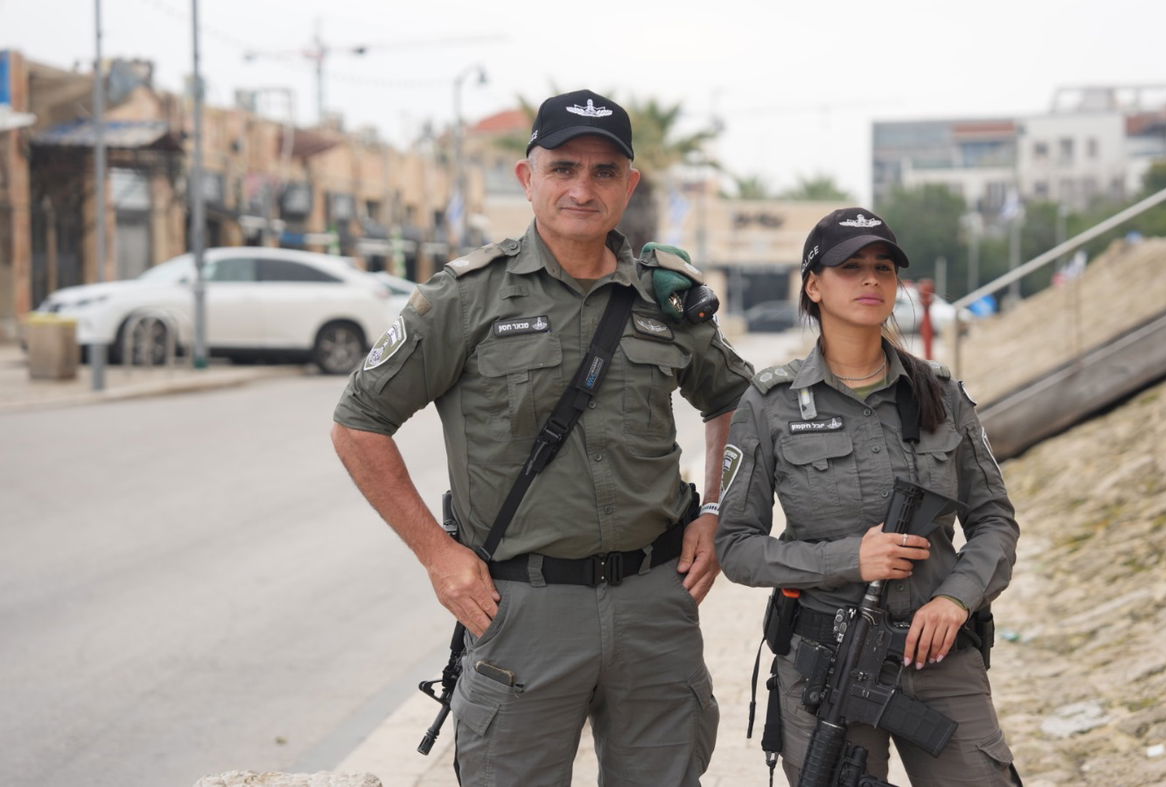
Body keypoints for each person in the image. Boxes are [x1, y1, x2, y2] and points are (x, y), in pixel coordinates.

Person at [330, 89, 752, 786]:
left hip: (654, 603)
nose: (582, 189)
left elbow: (736, 401)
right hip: (523, 608)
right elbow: (357, 423)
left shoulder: (664, 300)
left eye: (604, 172)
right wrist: (438, 556)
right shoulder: (465, 298)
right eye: (563, 169)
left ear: (629, 185)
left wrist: (716, 511)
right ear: (527, 179)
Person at [715, 207, 1021, 786]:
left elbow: (994, 521)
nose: (871, 280)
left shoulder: (940, 393)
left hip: (939, 652)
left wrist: (956, 600)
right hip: (828, 660)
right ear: (813, 285)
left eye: (883, 267)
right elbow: (737, 547)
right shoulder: (771, 404)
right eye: (850, 267)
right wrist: (848, 559)